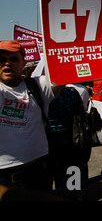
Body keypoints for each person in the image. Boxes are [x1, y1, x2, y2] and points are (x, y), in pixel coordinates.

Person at [0, 41, 63, 193]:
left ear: (24, 63)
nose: (7, 63)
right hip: (3, 178)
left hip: (38, 173)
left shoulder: (38, 85)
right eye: (2, 59)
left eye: (14, 59)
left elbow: (68, 69)